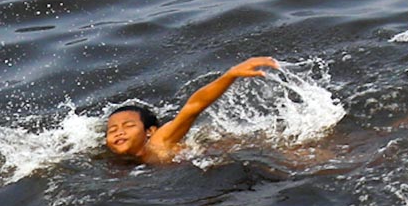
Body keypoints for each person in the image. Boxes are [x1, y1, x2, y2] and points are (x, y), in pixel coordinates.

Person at [106, 56, 279, 164]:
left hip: (249, 149)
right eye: (112, 130)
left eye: (128, 125)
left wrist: (231, 75)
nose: (119, 132)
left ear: (150, 131)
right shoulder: (119, 159)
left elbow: (193, 107)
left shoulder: (159, 141)